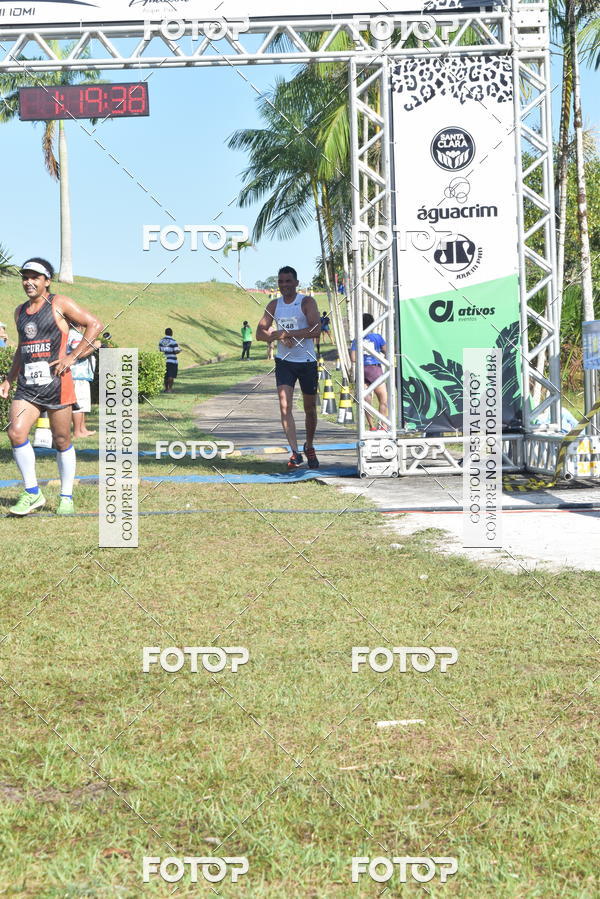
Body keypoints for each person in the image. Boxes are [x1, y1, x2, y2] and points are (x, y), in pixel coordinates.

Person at [0, 257, 103, 515]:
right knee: (16, 433)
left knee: (61, 439)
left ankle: (66, 497)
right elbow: (22, 349)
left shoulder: (59, 303)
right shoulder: (19, 311)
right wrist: (9, 378)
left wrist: (72, 357)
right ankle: (32, 493)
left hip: (57, 383)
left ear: (47, 281)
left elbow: (95, 325)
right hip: (28, 386)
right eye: (25, 277)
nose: (28, 282)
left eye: (35, 278)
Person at [256, 266, 321, 469]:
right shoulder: (274, 305)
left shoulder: (306, 302)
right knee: (285, 406)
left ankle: (309, 445)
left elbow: (316, 329)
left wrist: (287, 334)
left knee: (310, 408)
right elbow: (259, 333)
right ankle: (295, 452)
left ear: (296, 283)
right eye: (281, 281)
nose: (284, 285)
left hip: (307, 362)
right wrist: (276, 336)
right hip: (285, 362)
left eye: (288, 281)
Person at [350, 313, 388, 431]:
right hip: (375, 369)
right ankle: (383, 425)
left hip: (362, 370)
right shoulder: (377, 337)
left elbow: (353, 358)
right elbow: (387, 351)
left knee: (366, 400)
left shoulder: (357, 339)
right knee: (383, 399)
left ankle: (372, 426)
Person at [67, 324, 100, 438]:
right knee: (79, 404)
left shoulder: (74, 334)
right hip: (77, 374)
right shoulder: (74, 335)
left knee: (83, 404)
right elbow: (79, 354)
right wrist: (94, 346)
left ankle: (82, 429)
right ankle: (77, 431)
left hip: (81, 375)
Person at [158, 327, 181, 392]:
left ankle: (166, 388)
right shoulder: (173, 341)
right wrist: (179, 351)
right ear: (171, 333)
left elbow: (160, 349)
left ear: (165, 333)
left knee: (165, 375)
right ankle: (170, 389)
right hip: (172, 361)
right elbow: (176, 351)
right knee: (171, 375)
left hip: (164, 360)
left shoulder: (161, 341)